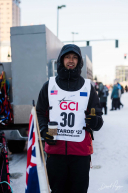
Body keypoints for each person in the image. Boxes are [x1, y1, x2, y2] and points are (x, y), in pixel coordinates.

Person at [36, 44, 103, 193]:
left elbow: (98, 117)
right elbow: (39, 112)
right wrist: (43, 130)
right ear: (61, 60)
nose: (71, 60)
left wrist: (95, 121)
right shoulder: (49, 85)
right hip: (55, 152)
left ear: (79, 62)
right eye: (67, 57)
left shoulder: (87, 86)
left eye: (74, 57)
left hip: (80, 154)